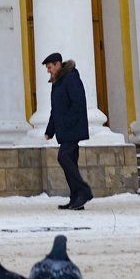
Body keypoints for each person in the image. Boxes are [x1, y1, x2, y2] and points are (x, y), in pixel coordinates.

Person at [42, 52, 93, 210]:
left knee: (63, 157)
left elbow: (78, 103)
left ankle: (84, 191)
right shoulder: (58, 82)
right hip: (66, 129)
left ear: (57, 64)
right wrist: (50, 131)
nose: (48, 71)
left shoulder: (70, 78)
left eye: (50, 67)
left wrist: (66, 123)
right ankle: (76, 198)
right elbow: (55, 110)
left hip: (72, 128)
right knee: (70, 161)